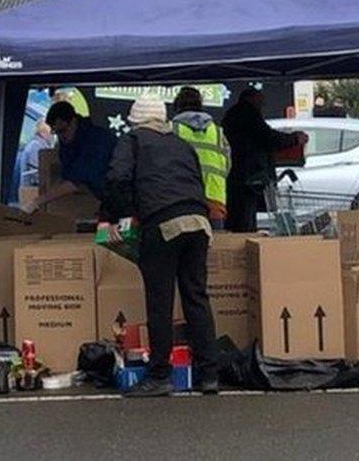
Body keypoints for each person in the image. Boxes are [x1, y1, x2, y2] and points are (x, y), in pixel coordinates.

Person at [99, 96, 218, 397]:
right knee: (196, 297)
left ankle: (160, 375)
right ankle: (208, 375)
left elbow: (116, 178)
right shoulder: (181, 144)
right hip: (198, 222)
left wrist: (118, 216)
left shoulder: (133, 140)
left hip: (163, 223)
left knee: (160, 300)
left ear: (136, 122)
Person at [222, 87, 307, 232]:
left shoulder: (234, 115)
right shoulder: (247, 114)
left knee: (239, 216)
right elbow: (267, 137)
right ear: (252, 99)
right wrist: (294, 139)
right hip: (249, 176)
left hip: (239, 174)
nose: (262, 106)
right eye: (261, 102)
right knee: (245, 218)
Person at [21, 101, 117, 213]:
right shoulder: (69, 143)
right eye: (56, 133)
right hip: (105, 197)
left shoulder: (94, 141)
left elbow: (76, 181)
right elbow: (69, 178)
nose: (61, 137)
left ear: (73, 121)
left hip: (120, 195)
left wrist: (37, 201)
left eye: (63, 131)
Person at [171, 87, 231, 229]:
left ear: (177, 105)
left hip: (183, 199)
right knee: (217, 248)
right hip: (215, 199)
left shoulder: (173, 130)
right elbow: (227, 165)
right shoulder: (217, 132)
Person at [20, 119, 53, 187]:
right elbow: (36, 175)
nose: (52, 135)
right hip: (31, 191)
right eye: (51, 132)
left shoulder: (40, 145)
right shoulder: (36, 146)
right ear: (43, 132)